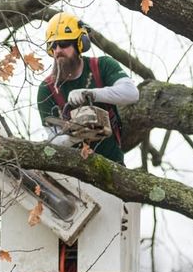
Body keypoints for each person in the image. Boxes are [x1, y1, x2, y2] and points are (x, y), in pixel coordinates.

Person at [37, 12, 139, 164]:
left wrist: (91, 94)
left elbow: (132, 93)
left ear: (80, 43)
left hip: (113, 165)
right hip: (75, 173)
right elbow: (52, 141)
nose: (58, 50)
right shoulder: (47, 89)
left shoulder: (101, 66)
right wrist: (75, 134)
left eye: (64, 44)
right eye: (53, 46)